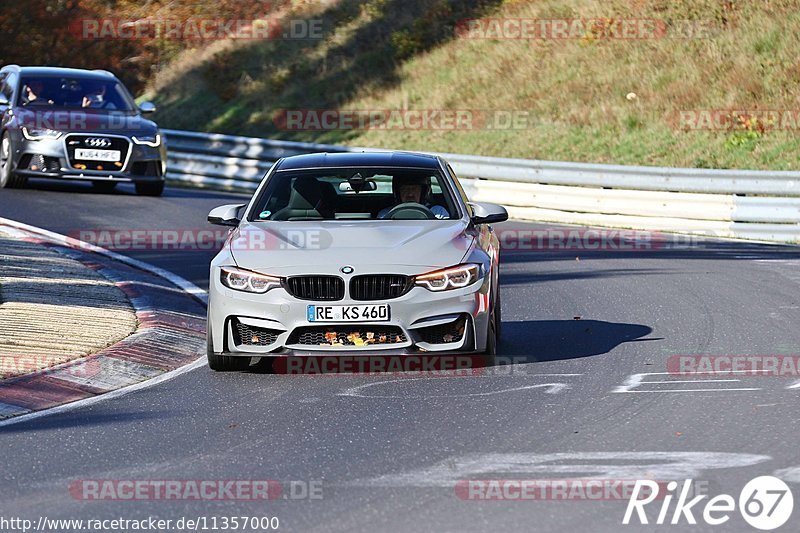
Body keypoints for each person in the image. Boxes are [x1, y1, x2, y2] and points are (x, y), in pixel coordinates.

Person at [378, 175, 449, 219]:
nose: (410, 194)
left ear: (424, 192)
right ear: (397, 192)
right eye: (404, 189)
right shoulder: (385, 214)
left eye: (415, 189)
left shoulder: (438, 213)